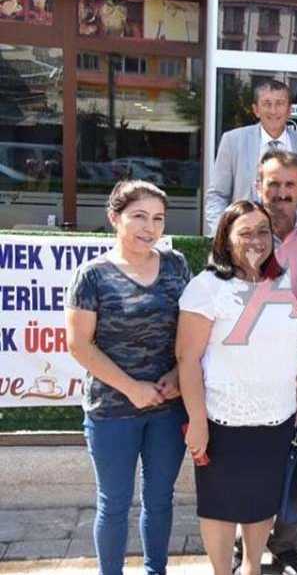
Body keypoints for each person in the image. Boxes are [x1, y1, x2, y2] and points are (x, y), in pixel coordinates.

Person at [176, 201, 297, 575]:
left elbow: (290, 344)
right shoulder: (205, 288)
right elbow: (187, 361)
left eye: (263, 232)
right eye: (245, 232)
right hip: (224, 419)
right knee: (220, 505)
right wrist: (197, 421)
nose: (256, 240)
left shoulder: (282, 282)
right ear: (226, 239)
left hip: (277, 417)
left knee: (261, 503)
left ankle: (251, 568)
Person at [66, 180, 191, 575]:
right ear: (114, 217)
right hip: (112, 409)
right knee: (114, 502)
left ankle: (156, 570)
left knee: (160, 499)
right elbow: (79, 345)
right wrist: (132, 388)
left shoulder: (176, 264)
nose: (149, 228)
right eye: (139, 216)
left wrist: (176, 375)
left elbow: (191, 332)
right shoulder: (92, 276)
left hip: (168, 408)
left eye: (157, 219)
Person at [227, 150, 297, 575]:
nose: (282, 193)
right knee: (249, 458)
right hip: (246, 357)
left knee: (294, 451)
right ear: (258, 186)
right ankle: (242, 545)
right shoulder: (241, 231)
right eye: (274, 184)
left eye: (290, 185)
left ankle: (285, 545)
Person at [205, 80, 297, 235]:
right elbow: (217, 195)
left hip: (294, 242)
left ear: (289, 110)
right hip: (245, 241)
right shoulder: (233, 141)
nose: (273, 111)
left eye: (279, 103)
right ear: (256, 110)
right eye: (267, 103)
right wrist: (225, 233)